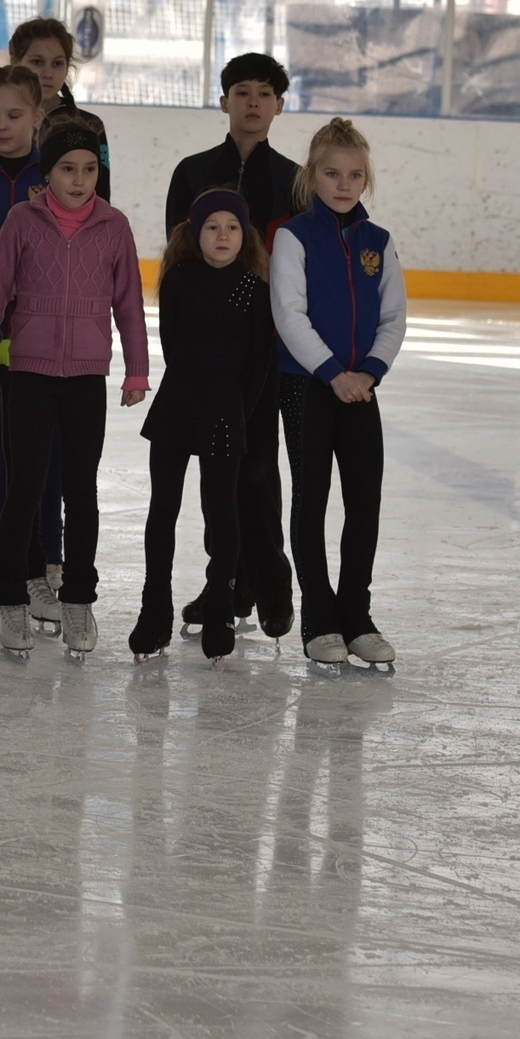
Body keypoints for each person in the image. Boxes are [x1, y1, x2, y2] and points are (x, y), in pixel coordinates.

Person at [0, 118, 148, 657]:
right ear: (47, 173)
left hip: (84, 376)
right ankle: (9, 598)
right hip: (27, 372)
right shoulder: (21, 221)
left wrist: (137, 369)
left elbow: (128, 305)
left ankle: (78, 599)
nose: (79, 180)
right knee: (23, 488)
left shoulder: (114, 225)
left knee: (81, 492)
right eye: (67, 169)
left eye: (89, 169)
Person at [161, 51, 301, 638]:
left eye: (264, 94)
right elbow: (176, 260)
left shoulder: (293, 179)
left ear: (278, 105)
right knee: (216, 468)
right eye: (241, 91)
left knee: (256, 469)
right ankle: (224, 580)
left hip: (266, 347)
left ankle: (268, 583)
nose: (252, 103)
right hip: (204, 351)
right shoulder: (193, 172)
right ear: (223, 101)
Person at [271, 118, 407, 672]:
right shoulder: (293, 236)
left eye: (354, 174)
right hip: (308, 386)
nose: (344, 184)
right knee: (312, 498)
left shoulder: (379, 242)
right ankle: (319, 617)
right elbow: (289, 314)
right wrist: (334, 373)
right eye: (332, 173)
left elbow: (394, 316)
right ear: (312, 176)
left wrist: (369, 373)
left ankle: (358, 615)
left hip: (361, 389)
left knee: (364, 499)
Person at [130, 188, 278, 662]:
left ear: (245, 235)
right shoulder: (179, 280)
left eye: (232, 227)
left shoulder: (255, 290)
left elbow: (258, 365)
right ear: (195, 233)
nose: (223, 236)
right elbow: (173, 345)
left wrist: (236, 408)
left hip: (226, 413)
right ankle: (155, 608)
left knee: (223, 513)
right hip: (177, 408)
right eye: (212, 227)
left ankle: (219, 605)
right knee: (163, 510)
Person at [0, 62, 59, 618]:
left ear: (38, 116)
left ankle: (32, 563)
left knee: (32, 459)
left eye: (15, 114)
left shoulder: (56, 176)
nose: (2, 124)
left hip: (39, 340)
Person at [0, 16, 109, 201]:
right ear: (15, 61)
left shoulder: (90, 125)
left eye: (57, 63)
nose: (47, 73)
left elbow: (102, 196)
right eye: (37, 62)